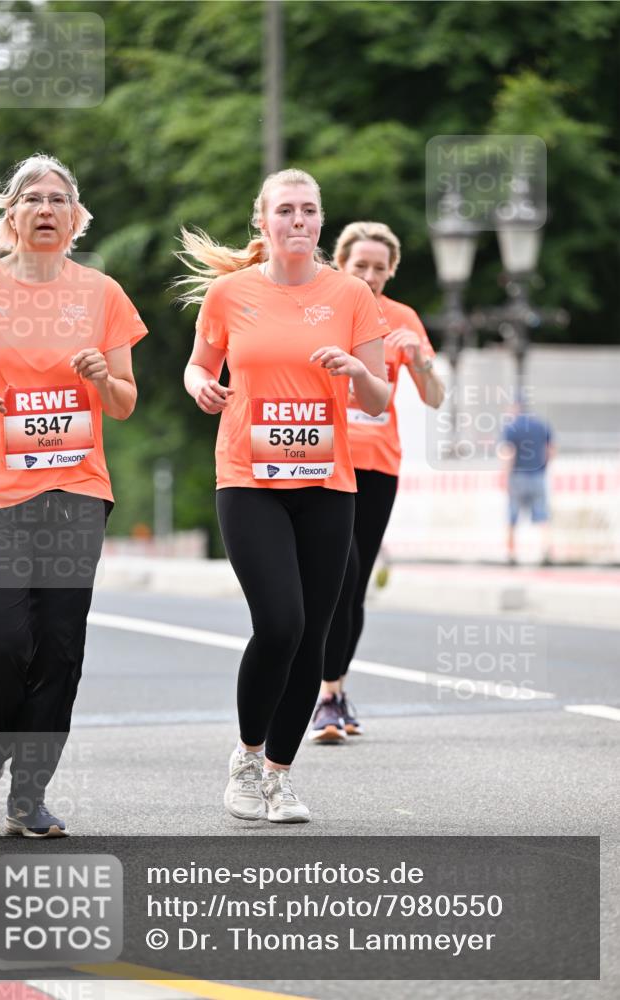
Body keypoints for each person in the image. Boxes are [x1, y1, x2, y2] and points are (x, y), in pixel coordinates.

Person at [178, 169, 388, 822]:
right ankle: (245, 754)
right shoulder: (229, 293)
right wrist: (197, 387)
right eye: (286, 211)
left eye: (309, 211)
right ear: (262, 221)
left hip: (327, 485)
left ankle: (279, 775)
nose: (298, 221)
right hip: (248, 479)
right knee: (280, 623)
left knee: (314, 638)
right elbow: (197, 363)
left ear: (321, 223)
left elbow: (378, 398)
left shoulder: (351, 295)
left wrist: (356, 372)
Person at [0, 154, 147, 835]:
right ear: (9, 217)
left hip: (74, 488)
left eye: (57, 199)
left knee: (59, 647)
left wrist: (100, 378)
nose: (44, 207)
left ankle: (29, 794)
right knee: (3, 643)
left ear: (75, 218)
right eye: (30, 198)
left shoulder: (102, 294)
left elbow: (123, 404)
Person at [309, 221, 445, 743]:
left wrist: (420, 359)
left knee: (355, 587)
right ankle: (324, 692)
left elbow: (433, 396)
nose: (369, 276)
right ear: (339, 264)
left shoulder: (403, 318)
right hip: (322, 461)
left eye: (378, 268)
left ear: (391, 272)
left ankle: (332, 692)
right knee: (336, 580)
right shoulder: (319, 307)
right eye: (359, 266)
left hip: (379, 466)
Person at [498, 396, 555, 565]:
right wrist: (543, 467)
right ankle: (546, 552)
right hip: (537, 476)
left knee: (512, 517)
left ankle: (511, 554)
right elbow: (551, 450)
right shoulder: (541, 425)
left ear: (515, 407)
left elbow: (509, 454)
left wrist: (505, 477)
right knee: (542, 516)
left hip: (517, 477)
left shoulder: (511, 428)